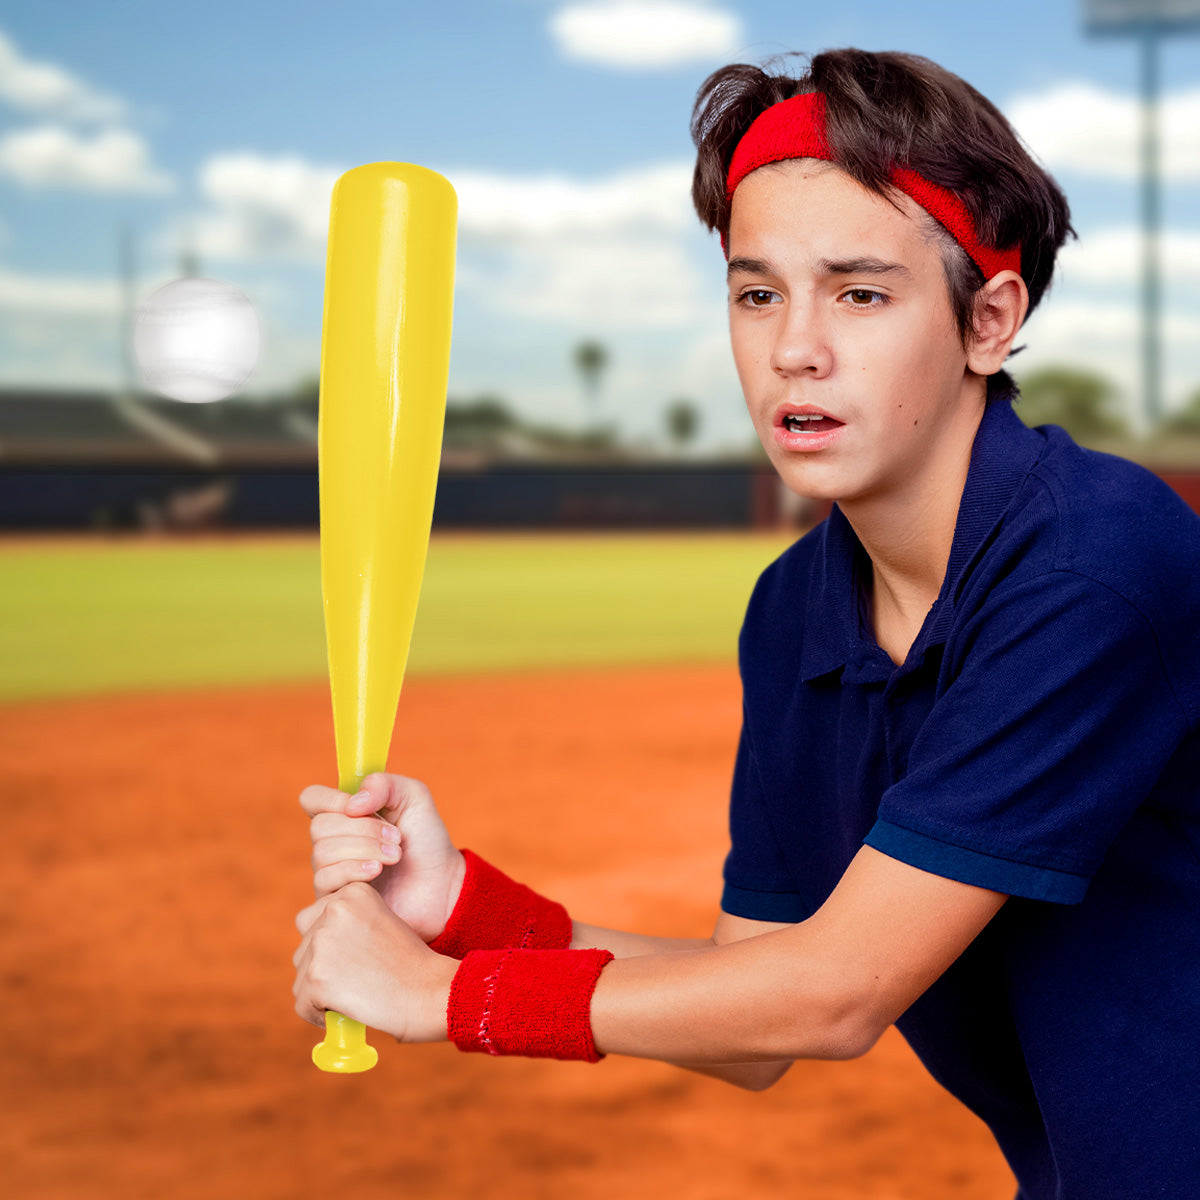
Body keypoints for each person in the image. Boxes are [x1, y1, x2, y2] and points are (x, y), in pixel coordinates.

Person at [292, 48, 1200, 1198]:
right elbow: (755, 1008)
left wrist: (435, 1000)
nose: (791, 348)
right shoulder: (795, 613)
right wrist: (463, 914)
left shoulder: (1091, 565)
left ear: (989, 320)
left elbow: (835, 994)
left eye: (859, 292)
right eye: (756, 290)